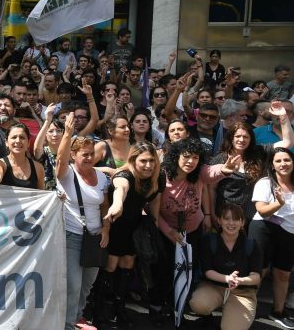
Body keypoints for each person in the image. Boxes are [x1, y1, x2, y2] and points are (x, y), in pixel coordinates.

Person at [150, 137, 239, 324]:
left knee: (187, 271)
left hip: (192, 231)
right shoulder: (161, 175)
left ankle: (178, 307)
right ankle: (157, 307)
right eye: (187, 156)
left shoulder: (199, 173)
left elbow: (214, 172)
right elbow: (153, 213)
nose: (191, 161)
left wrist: (226, 168)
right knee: (163, 271)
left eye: (196, 158)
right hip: (166, 231)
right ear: (176, 156)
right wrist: (169, 233)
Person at [55, 113, 111, 330]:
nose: (89, 158)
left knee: (86, 286)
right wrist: (68, 134)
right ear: (73, 155)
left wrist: (106, 229)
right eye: (84, 155)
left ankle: (76, 318)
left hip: (96, 237)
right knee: (73, 286)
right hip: (72, 235)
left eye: (91, 154)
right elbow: (60, 160)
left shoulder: (102, 177)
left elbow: (104, 205)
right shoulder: (67, 174)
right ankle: (67, 325)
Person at [99, 141, 163, 326]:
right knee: (111, 266)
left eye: (152, 160)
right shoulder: (124, 175)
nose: (148, 165)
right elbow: (121, 188)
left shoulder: (156, 178)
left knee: (127, 264)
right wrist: (117, 204)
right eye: (143, 161)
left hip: (134, 228)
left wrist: (155, 225)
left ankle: (120, 309)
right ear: (133, 160)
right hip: (115, 225)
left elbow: (155, 201)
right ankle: (99, 310)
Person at [209, 102, 291, 222]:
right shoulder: (220, 159)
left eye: (246, 137)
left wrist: (283, 116)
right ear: (231, 138)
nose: (241, 140)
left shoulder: (259, 152)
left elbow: (287, 142)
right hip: (227, 217)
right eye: (237, 136)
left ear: (251, 139)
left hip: (255, 217)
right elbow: (211, 188)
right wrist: (211, 214)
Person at [189, 204, 261, 330]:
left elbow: (256, 277)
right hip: (213, 286)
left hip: (242, 293)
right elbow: (208, 271)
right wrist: (227, 278)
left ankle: (231, 314)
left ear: (242, 222)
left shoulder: (252, 245)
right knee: (198, 304)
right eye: (226, 218)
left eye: (235, 219)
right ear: (219, 220)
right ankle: (208, 316)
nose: (231, 223)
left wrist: (240, 280)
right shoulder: (209, 241)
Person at [249, 147, 294, 328]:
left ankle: (278, 311)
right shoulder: (265, 183)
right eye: (278, 161)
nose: (283, 164)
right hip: (264, 227)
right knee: (258, 271)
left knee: (283, 273)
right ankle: (245, 309)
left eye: (287, 160)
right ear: (272, 165)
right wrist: (278, 203)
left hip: (290, 232)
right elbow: (262, 210)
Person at [0, 123, 45, 200]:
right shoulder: (0, 164)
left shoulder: (38, 168)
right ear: (6, 142)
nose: (18, 141)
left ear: (28, 143)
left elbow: (42, 196)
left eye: (22, 137)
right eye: (14, 137)